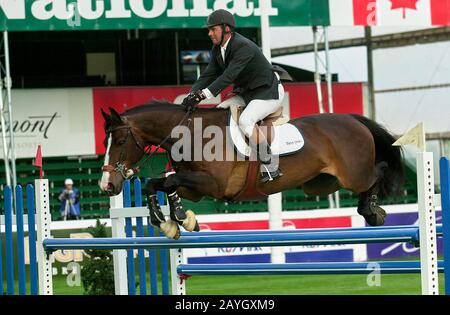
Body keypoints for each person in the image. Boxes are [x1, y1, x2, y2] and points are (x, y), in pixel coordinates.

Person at [182, 9, 285, 183]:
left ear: (226, 29)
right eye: (209, 30)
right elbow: (208, 75)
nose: (209, 33)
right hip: (248, 93)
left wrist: (203, 95)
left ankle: (271, 165)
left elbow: (228, 76)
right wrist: (191, 93)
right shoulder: (217, 49)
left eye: (213, 29)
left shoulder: (243, 46)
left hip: (268, 92)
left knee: (246, 121)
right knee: (219, 111)